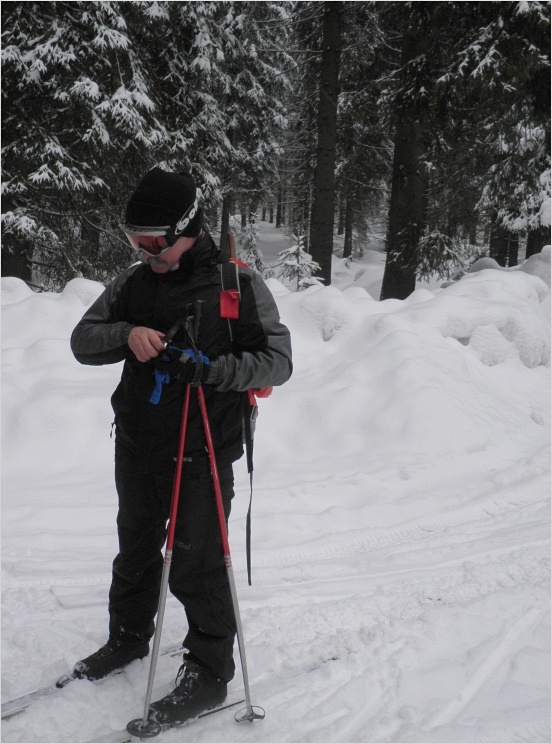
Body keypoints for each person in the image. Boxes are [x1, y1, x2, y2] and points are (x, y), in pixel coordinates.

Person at [69, 167, 292, 726]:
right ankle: (127, 638)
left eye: (153, 243)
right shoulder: (133, 283)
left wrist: (213, 370)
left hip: (204, 448)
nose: (145, 253)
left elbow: (278, 362)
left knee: (198, 563)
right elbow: (82, 340)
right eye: (134, 241)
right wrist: (126, 335)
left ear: (187, 229)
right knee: (135, 549)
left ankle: (209, 674)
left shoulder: (236, 285)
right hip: (139, 442)